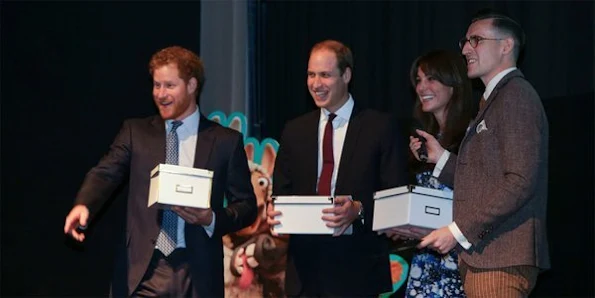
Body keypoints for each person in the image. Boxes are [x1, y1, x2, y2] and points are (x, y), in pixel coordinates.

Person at [63, 46, 257, 297]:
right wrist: (84, 204)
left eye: (169, 86)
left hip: (197, 274)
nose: (161, 94)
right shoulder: (136, 132)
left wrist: (211, 218)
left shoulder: (224, 141)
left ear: (191, 85)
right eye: (156, 85)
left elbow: (246, 206)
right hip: (143, 271)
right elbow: (106, 171)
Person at [412, 9, 550, 297]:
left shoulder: (516, 96)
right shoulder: (493, 100)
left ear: (506, 46)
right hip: (486, 258)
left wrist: (457, 231)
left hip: (501, 257)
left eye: (475, 40)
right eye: (464, 41)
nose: (465, 49)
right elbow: (481, 179)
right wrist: (440, 159)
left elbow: (520, 181)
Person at [266, 39, 407, 297]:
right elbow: (281, 193)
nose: (316, 84)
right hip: (305, 273)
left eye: (325, 75)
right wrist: (274, 213)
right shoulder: (294, 130)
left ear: (346, 75)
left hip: (357, 270)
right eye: (311, 74)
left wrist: (359, 209)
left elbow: (395, 197)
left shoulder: (379, 127)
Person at [385, 50, 474, 297]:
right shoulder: (425, 140)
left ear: (453, 84)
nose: (422, 86)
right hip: (426, 261)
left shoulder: (473, 135)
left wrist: (440, 158)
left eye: (431, 78)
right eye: (419, 79)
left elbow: (480, 190)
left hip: (459, 260)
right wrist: (404, 224)